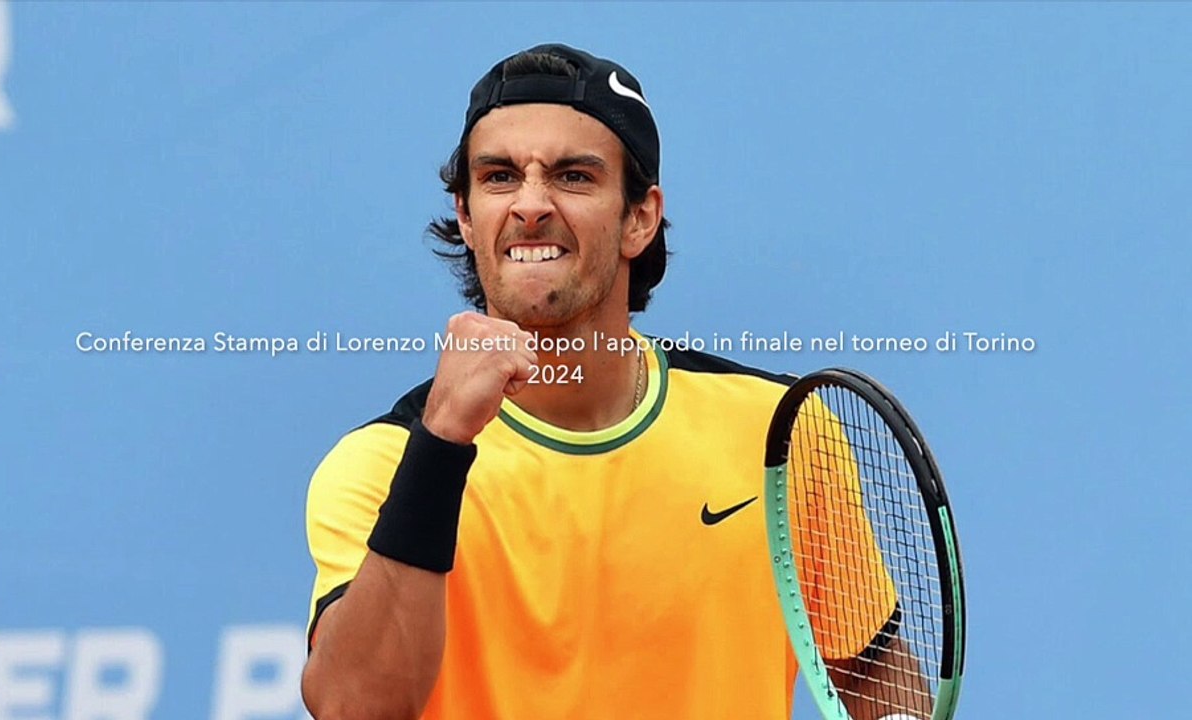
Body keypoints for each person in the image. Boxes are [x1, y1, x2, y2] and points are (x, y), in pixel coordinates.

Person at [300, 43, 920, 720]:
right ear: (468, 217)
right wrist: (443, 443)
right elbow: (355, 709)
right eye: (501, 176)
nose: (531, 205)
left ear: (640, 218)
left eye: (572, 176)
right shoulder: (381, 467)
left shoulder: (779, 430)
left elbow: (869, 664)